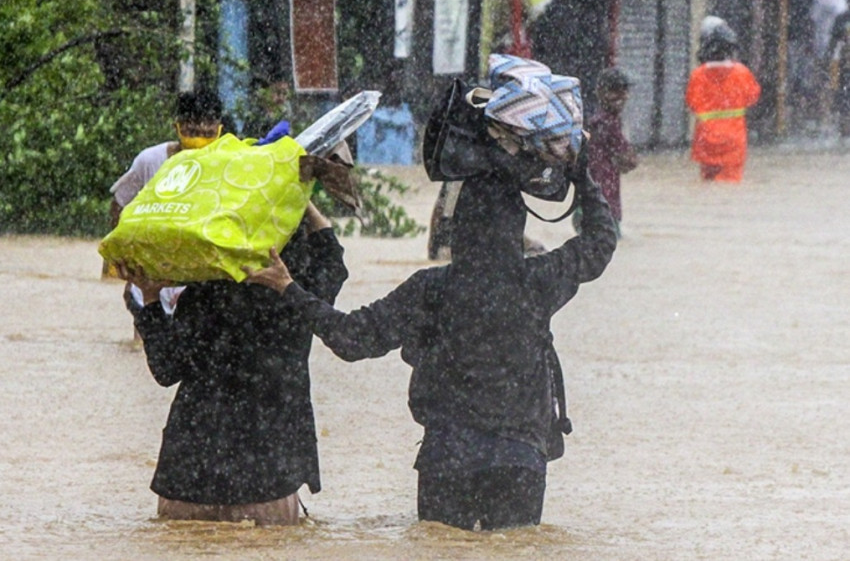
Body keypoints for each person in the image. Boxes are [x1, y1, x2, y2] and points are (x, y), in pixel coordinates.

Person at [243, 138, 617, 530]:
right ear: (516, 229)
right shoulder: (538, 280)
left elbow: (350, 338)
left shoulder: (430, 288)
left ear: (456, 231)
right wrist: (580, 172)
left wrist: (289, 288)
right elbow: (600, 241)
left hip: (447, 457)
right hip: (518, 458)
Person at [118, 200, 349, 526]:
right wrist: (300, 199)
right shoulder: (298, 299)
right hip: (264, 482)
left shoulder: (203, 292)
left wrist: (152, 298)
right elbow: (333, 262)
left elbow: (166, 368)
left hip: (187, 477)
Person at [106, 89, 224, 321]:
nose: (201, 129)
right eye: (192, 123)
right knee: (145, 345)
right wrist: (116, 255)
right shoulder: (150, 160)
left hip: (201, 279)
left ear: (220, 127)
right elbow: (119, 204)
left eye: (208, 122)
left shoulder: (230, 163)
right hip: (149, 276)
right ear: (177, 126)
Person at [686, 20, 761, 183]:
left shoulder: (698, 75)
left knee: (708, 184)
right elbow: (752, 97)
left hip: (705, 140)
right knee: (729, 185)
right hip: (733, 141)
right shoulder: (741, 72)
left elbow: (692, 103)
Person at [574, 67, 638, 237]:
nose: (623, 97)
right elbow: (627, 157)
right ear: (601, 92)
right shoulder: (605, 123)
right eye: (616, 91)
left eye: (624, 91)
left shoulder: (600, 120)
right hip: (601, 205)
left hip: (592, 201)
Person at [827, 4, 850, 137]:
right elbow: (834, 41)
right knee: (844, 97)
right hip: (845, 64)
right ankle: (844, 128)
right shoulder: (842, 18)